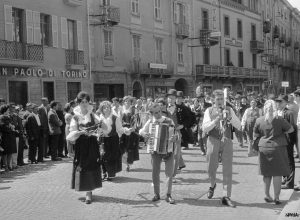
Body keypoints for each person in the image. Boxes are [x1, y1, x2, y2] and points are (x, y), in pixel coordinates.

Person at [202, 89, 241, 207]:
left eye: (221, 99)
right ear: (213, 100)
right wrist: (216, 120)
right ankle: (212, 184)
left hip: (227, 140)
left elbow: (239, 125)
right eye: (217, 99)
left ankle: (226, 196)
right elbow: (205, 128)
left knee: (227, 169)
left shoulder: (229, 110)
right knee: (210, 167)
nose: (219, 101)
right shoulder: (208, 111)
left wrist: (230, 118)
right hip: (213, 139)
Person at [67, 91, 106, 204]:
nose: (84, 104)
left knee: (91, 166)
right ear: (78, 103)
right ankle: (85, 189)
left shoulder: (93, 115)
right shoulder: (75, 117)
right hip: (81, 146)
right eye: (82, 102)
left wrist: (100, 128)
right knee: (82, 166)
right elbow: (71, 135)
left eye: (86, 102)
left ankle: (89, 192)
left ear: (89, 103)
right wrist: (80, 133)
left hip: (92, 145)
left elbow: (104, 128)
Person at [253, 100, 293, 204]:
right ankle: (276, 197)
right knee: (277, 173)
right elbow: (291, 129)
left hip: (263, 148)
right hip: (278, 148)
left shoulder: (259, 120)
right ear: (275, 108)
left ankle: (267, 195)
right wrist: (282, 132)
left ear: (264, 109)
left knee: (266, 173)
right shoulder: (279, 119)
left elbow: (256, 134)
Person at [139, 103, 177, 204]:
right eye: (155, 113)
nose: (158, 114)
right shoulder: (150, 121)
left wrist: (175, 137)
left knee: (169, 173)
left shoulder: (169, 121)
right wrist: (145, 134)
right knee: (155, 172)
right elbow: (141, 131)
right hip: (155, 149)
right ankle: (157, 194)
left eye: (159, 111)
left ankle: (168, 195)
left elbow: (175, 133)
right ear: (151, 114)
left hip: (168, 149)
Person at [98, 101, 130, 180]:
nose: (106, 109)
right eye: (104, 107)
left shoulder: (115, 118)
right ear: (102, 109)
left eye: (108, 107)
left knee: (111, 157)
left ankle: (110, 174)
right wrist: (98, 135)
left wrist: (126, 130)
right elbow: (98, 129)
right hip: (103, 139)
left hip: (113, 140)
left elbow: (119, 129)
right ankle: (103, 172)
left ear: (110, 108)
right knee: (102, 156)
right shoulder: (100, 118)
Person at [275, 94, 297, 190]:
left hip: (287, 140)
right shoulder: (278, 112)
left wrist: (290, 141)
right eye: (277, 101)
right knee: (283, 160)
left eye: (280, 102)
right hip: (280, 140)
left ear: (286, 102)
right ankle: (285, 177)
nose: (278, 103)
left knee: (289, 161)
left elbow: (292, 128)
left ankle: (290, 183)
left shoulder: (289, 113)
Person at [120, 96, 140, 172]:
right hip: (123, 130)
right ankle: (125, 162)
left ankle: (128, 164)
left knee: (130, 147)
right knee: (123, 146)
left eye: (128, 101)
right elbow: (118, 120)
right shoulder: (121, 109)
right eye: (125, 101)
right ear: (123, 102)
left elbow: (136, 120)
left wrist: (132, 128)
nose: (127, 103)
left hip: (131, 130)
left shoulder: (133, 109)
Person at [0, 105, 18, 171]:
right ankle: (6, 166)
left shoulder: (8, 117)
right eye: (7, 110)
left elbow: (12, 125)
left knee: (10, 152)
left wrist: (12, 128)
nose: (8, 111)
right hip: (5, 137)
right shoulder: (1, 117)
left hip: (10, 137)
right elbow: (3, 127)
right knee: (5, 153)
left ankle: (9, 165)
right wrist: (11, 129)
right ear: (4, 110)